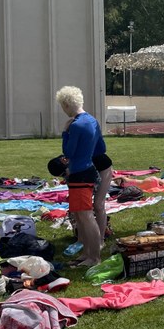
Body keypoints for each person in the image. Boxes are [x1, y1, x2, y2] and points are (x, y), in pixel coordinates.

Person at [55, 86, 102, 267]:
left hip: (79, 174)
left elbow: (68, 152)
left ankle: (94, 257)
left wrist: (65, 132)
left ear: (67, 104)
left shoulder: (75, 125)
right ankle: (87, 253)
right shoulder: (92, 121)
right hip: (87, 171)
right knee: (81, 216)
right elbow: (101, 148)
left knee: (85, 216)